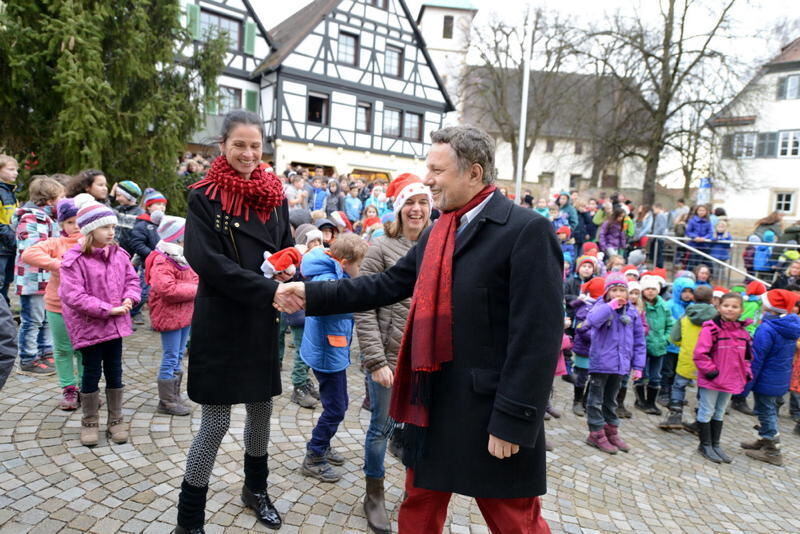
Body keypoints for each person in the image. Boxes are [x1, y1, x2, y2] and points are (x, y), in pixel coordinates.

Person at [277, 126, 562, 533]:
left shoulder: (526, 230)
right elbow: (386, 285)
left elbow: (537, 336)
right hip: (434, 402)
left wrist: (513, 420)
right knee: (418, 509)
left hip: (490, 414)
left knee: (515, 521)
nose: (427, 179)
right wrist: (312, 294)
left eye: (436, 170)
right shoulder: (439, 230)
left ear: (474, 173)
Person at [174, 110, 294, 533]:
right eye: (240, 144)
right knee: (216, 422)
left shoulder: (275, 194)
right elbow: (206, 260)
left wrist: (287, 268)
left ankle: (255, 489)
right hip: (222, 319)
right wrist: (268, 288)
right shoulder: (203, 195)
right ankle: (189, 521)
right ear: (222, 145)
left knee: (261, 413)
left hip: (262, 320)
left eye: (255, 146)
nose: (248, 153)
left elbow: (286, 247)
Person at [354, 173, 431, 532]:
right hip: (388, 358)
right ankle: (374, 495)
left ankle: (415, 494)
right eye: (409, 203)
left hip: (426, 360)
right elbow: (363, 305)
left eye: (423, 202)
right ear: (399, 209)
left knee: (419, 427)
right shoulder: (381, 248)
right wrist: (376, 361)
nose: (416, 210)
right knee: (380, 428)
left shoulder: (441, 246)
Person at [59, 194, 141, 447]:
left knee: (115, 372)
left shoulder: (118, 254)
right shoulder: (74, 260)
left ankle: (116, 419)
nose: (111, 232)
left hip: (114, 327)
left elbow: (132, 280)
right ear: (90, 229)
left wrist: (129, 299)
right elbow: (74, 296)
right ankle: (90, 420)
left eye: (113, 227)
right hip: (90, 328)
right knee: (91, 373)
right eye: (106, 227)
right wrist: (108, 309)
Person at [299, 234, 369, 482]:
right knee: (337, 407)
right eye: (360, 266)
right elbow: (337, 306)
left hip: (330, 350)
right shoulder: (327, 281)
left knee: (338, 403)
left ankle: (323, 444)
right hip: (327, 353)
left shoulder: (335, 274)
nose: (362, 271)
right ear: (344, 261)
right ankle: (315, 455)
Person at [21, 198, 83, 409]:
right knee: (63, 349)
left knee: (84, 349)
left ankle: (87, 387)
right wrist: (58, 264)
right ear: (62, 225)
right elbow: (29, 253)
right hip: (58, 306)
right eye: (70, 222)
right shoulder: (56, 243)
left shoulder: (92, 242)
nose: (76, 226)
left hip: (85, 308)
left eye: (79, 221)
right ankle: (69, 389)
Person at [583, 274, 646, 454]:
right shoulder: (602, 306)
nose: (619, 294)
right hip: (602, 363)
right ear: (608, 292)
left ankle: (611, 431)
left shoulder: (632, 312)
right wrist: (610, 307)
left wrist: (638, 366)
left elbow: (639, 340)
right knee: (595, 400)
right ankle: (595, 433)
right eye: (614, 290)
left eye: (622, 290)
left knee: (612, 400)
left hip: (620, 365)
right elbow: (592, 321)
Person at [144, 215, 197, 417]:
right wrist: (197, 289)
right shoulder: (162, 259)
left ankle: (174, 395)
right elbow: (167, 288)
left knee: (179, 354)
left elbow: (194, 278)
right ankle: (166, 400)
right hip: (169, 315)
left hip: (184, 314)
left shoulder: (182, 258)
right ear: (176, 239)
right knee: (171, 356)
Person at [740, 289, 800, 466]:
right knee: (769, 410)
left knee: (767, 412)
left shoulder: (767, 328)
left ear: (771, 306)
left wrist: (747, 383)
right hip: (780, 378)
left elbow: (757, 358)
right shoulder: (789, 325)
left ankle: (773, 450)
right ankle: (765, 440)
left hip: (766, 379)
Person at [693, 292, 751, 463]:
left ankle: (715, 444)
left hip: (731, 380)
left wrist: (746, 372)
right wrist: (710, 371)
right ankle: (705, 445)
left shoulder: (742, 332)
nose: (730, 309)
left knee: (719, 411)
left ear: (741, 310)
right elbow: (700, 354)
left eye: (734, 306)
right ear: (719, 307)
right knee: (707, 410)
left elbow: (747, 356)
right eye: (726, 306)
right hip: (712, 379)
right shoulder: (711, 328)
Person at [13, 177, 63, 375]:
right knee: (32, 320)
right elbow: (33, 250)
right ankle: (28, 358)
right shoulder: (32, 218)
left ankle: (45, 352)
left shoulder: (49, 218)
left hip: (47, 279)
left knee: (45, 319)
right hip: (32, 281)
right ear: (50, 200)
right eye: (61, 198)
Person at [659, 286, 718, 432]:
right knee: (703, 391)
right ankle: (700, 421)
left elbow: (674, 338)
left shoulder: (686, 317)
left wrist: (684, 344)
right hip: (708, 361)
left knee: (679, 386)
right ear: (711, 300)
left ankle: (675, 416)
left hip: (686, 358)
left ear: (693, 298)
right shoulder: (718, 318)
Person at [129, 189, 167, 325]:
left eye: (163, 205)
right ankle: (131, 313)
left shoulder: (165, 223)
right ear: (148, 207)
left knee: (158, 294)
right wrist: (151, 254)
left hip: (163, 264)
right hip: (147, 264)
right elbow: (136, 243)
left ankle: (158, 320)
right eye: (158, 204)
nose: (161, 207)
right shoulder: (142, 224)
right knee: (143, 292)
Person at [637, 275, 674, 415]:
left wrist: (665, 339)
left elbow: (670, 325)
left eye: (653, 289)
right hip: (643, 345)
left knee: (655, 375)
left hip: (659, 346)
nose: (651, 292)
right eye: (647, 289)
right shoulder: (640, 305)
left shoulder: (664, 306)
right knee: (641, 373)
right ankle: (640, 400)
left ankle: (651, 402)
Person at [571, 277, 606, 416]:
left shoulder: (605, 306)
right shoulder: (585, 306)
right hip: (584, 349)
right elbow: (582, 328)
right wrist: (601, 337)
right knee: (581, 376)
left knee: (594, 377)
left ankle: (586, 401)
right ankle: (577, 401)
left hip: (598, 350)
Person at [0, 155, 19, 304]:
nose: (16, 173)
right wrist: (13, 239)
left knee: (6, 282)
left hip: (9, 246)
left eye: (16, 170)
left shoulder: (11, 192)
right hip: (3, 246)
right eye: (11, 169)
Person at [109, 180, 144, 256]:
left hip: (129, 257)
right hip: (113, 254)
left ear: (129, 197)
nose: (116, 199)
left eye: (119, 195)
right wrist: (111, 196)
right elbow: (102, 209)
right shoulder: (117, 210)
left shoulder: (140, 214)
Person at [685, 205, 713, 270]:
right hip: (694, 245)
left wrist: (704, 238)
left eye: (703, 210)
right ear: (696, 211)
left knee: (705, 263)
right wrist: (695, 237)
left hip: (704, 245)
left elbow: (710, 232)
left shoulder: (708, 221)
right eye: (700, 210)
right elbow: (688, 231)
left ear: (706, 212)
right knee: (692, 262)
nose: (701, 212)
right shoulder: (692, 221)